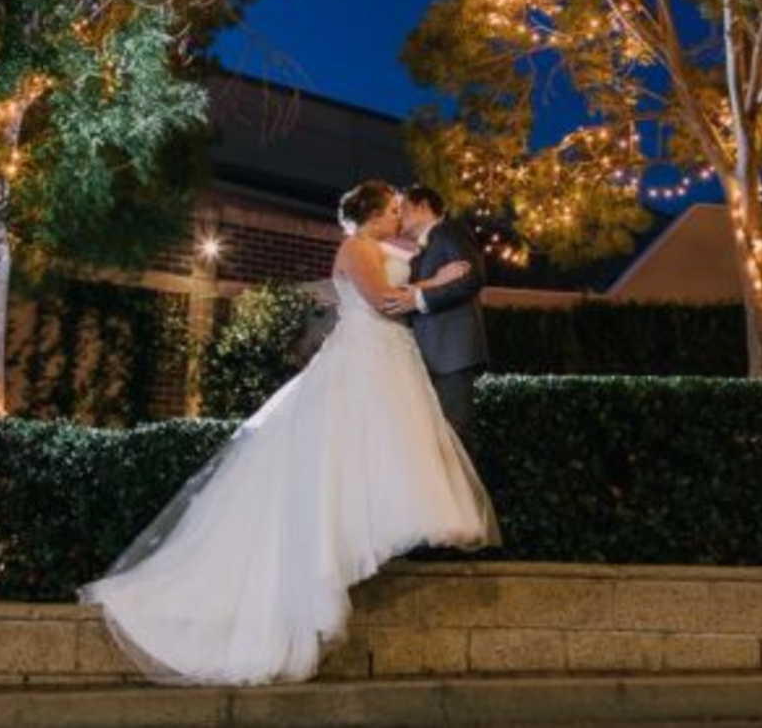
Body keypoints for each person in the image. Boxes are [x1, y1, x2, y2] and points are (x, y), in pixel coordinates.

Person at [78, 180, 500, 685]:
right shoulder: (356, 248)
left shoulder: (391, 244)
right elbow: (386, 300)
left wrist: (444, 268)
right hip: (365, 357)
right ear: (368, 216)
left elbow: (426, 256)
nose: (396, 216)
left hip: (393, 359)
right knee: (346, 450)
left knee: (388, 450)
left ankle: (378, 530)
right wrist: (435, 284)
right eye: (389, 210)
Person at [383, 185, 490, 456]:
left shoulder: (450, 231)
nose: (399, 217)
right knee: (431, 446)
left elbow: (471, 278)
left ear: (422, 206)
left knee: (453, 439)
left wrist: (420, 300)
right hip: (427, 357)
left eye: (403, 209)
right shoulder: (420, 251)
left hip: (451, 353)